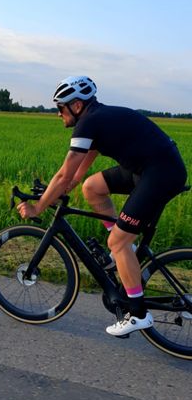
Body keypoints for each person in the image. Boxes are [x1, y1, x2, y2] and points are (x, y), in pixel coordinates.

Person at [17, 76, 188, 336]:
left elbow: (63, 174)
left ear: (76, 105)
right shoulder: (97, 118)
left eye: (60, 107)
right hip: (148, 169)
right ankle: (125, 251)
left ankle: (138, 313)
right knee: (92, 187)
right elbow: (76, 174)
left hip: (161, 174)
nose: (58, 114)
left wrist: (39, 207)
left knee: (117, 242)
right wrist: (63, 190)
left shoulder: (89, 122)